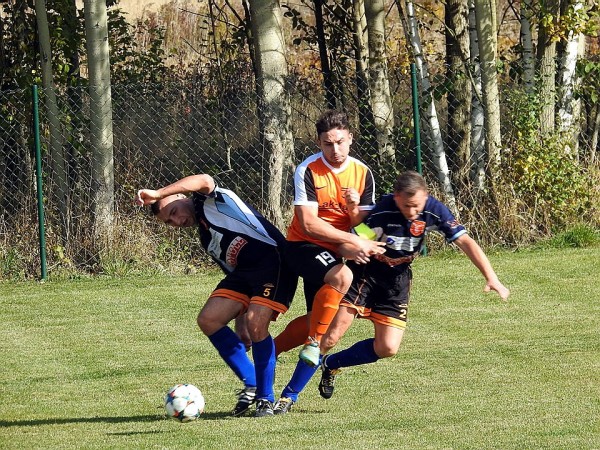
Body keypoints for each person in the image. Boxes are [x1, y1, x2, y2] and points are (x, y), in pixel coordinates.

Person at [316, 170, 510, 399]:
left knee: (388, 348)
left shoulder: (434, 210)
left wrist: (491, 277)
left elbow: (465, 242)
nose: (411, 211)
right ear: (396, 197)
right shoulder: (384, 209)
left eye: (416, 206)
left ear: (425, 196)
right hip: (366, 274)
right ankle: (290, 394)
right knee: (331, 337)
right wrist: (356, 236)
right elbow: (356, 236)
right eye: (406, 206)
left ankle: (331, 364)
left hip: (397, 280)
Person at [135, 174, 297, 417]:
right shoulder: (207, 239)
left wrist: (158, 193)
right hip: (244, 273)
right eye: (169, 221)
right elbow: (233, 275)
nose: (177, 221)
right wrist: (239, 323)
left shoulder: (210, 200)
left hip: (274, 261)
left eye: (174, 211)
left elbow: (203, 179)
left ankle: (265, 399)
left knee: (256, 322)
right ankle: (252, 382)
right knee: (209, 319)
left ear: (180, 195)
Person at [272, 110, 385, 414]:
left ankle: (274, 355)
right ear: (318, 143)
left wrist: (354, 214)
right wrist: (352, 242)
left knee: (323, 323)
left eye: (340, 142)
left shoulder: (362, 172)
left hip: (339, 251)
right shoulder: (308, 170)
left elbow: (364, 226)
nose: (335, 150)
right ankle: (307, 350)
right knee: (340, 280)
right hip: (303, 246)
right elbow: (308, 224)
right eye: (327, 144)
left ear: (351, 138)